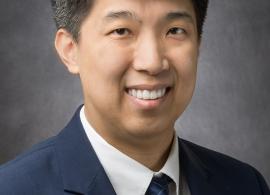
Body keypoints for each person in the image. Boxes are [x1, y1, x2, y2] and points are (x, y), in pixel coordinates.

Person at [0, 0, 269, 194]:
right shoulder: (12, 188)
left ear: (198, 44)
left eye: (175, 30)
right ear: (70, 50)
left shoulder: (246, 184)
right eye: (121, 31)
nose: (152, 62)